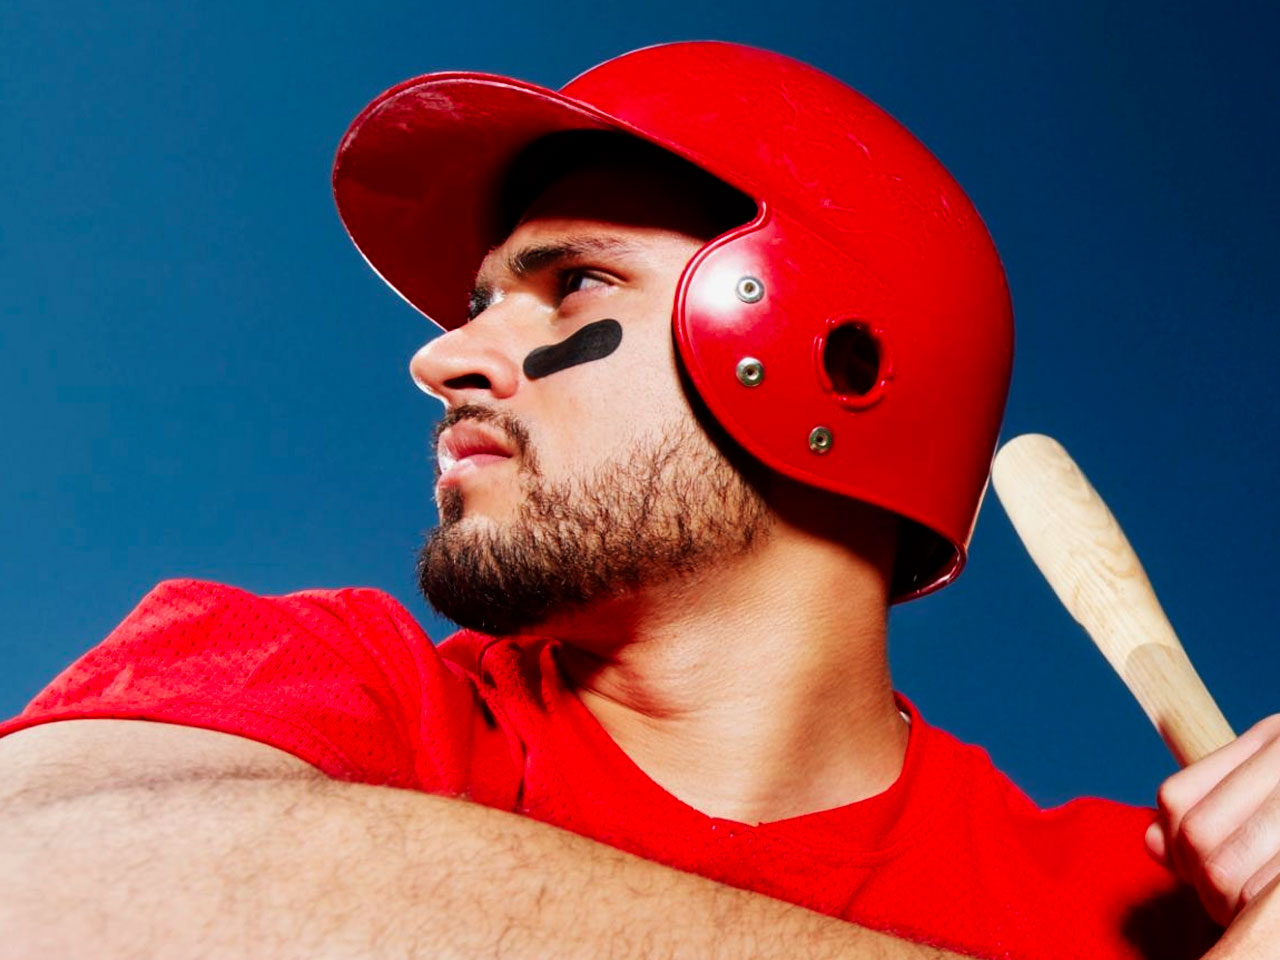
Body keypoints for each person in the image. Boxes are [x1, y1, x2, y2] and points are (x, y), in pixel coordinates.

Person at [2, 40, 1279, 959]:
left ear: (838, 355)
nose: (440, 359)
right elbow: (42, 887)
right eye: (474, 305)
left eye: (570, 285)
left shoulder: (1155, 907)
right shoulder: (317, 690)